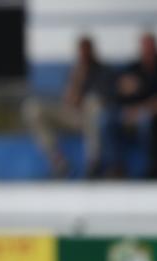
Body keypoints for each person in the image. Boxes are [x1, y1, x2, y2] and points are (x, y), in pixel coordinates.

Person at [22, 36, 107, 177]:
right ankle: (58, 162)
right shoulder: (74, 70)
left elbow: (104, 98)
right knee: (32, 108)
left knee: (92, 103)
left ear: (92, 51)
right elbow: (67, 99)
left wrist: (84, 98)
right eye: (81, 51)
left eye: (86, 50)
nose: (83, 54)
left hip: (90, 117)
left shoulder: (102, 71)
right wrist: (77, 79)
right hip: (70, 115)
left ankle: (93, 163)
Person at [99, 33, 157, 178]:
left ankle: (151, 167)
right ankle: (116, 167)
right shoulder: (133, 68)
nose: (147, 50)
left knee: (146, 123)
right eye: (144, 46)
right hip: (129, 113)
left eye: (150, 46)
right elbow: (120, 92)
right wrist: (121, 90)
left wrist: (142, 109)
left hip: (148, 114)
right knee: (107, 120)